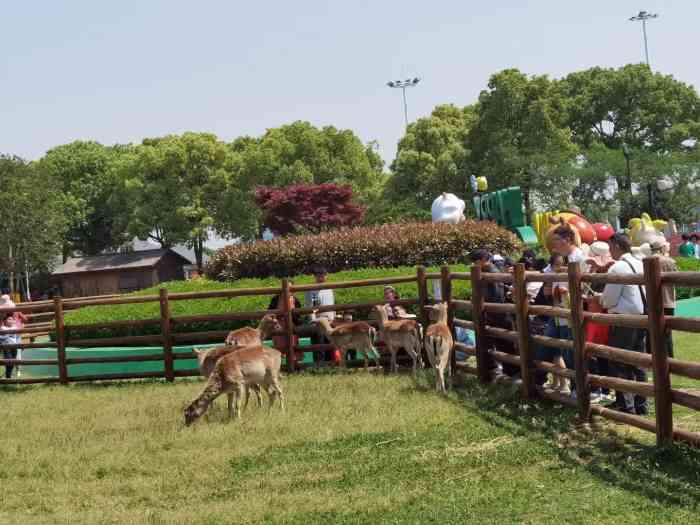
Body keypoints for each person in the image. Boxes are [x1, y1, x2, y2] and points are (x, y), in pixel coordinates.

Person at [597, 233, 648, 415]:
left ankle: (626, 406)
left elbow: (609, 300)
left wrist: (600, 299)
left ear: (617, 246)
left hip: (623, 319)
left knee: (618, 360)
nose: (609, 251)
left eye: (610, 247)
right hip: (642, 318)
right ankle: (641, 404)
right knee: (637, 362)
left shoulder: (618, 267)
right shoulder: (639, 263)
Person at [470, 249, 518, 380]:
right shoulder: (487, 271)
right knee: (501, 345)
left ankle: (513, 374)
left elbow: (497, 297)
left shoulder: (493, 272)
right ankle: (508, 373)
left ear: (482, 261)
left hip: (500, 315)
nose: (473, 265)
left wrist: (490, 311)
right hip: (496, 315)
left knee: (506, 345)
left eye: (474, 262)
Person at [650, 238, 677, 358]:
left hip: (651, 301)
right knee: (667, 332)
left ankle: (655, 356)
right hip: (667, 300)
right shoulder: (670, 261)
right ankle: (669, 357)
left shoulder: (647, 260)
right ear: (662, 248)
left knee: (653, 331)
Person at [305, 266, 336, 362]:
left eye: (323, 275)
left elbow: (332, 304)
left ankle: (330, 364)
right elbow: (310, 306)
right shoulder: (311, 290)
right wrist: (313, 320)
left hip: (330, 320)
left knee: (330, 343)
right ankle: (319, 365)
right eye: (319, 275)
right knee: (319, 342)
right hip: (318, 321)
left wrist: (333, 317)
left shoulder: (329, 289)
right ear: (315, 276)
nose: (321, 277)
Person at [268, 291, 303, 366]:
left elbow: (298, 317)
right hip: (278, 325)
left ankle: (294, 366)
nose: (288, 291)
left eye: (291, 289)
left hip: (291, 325)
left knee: (293, 346)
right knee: (278, 347)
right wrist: (276, 322)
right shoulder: (275, 299)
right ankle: (278, 367)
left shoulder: (295, 300)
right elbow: (270, 312)